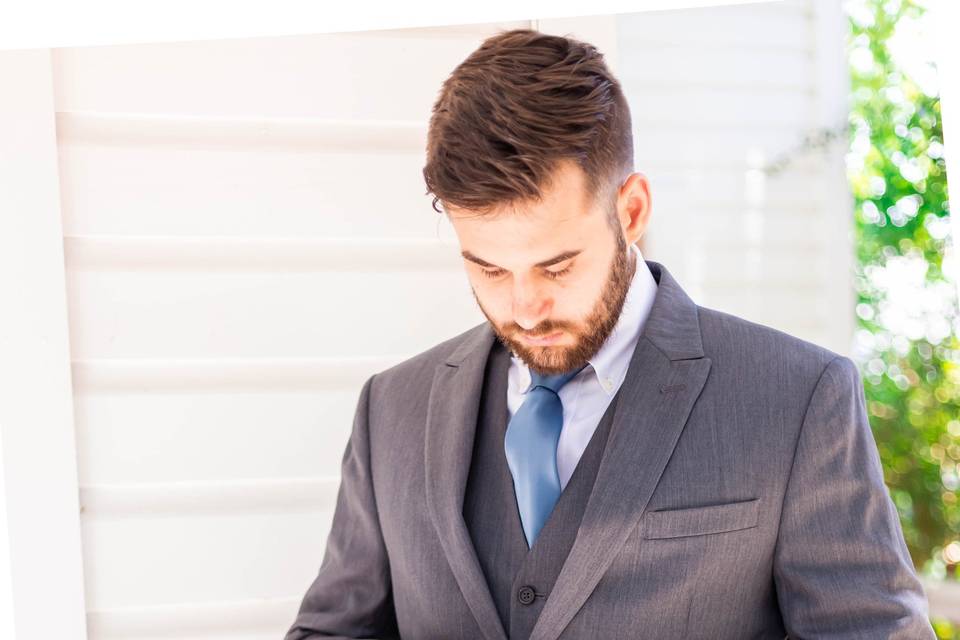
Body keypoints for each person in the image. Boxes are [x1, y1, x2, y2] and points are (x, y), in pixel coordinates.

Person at [284, 28, 935, 639]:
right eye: (487, 267)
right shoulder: (391, 409)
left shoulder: (798, 398)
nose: (526, 308)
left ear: (631, 210)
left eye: (557, 265)